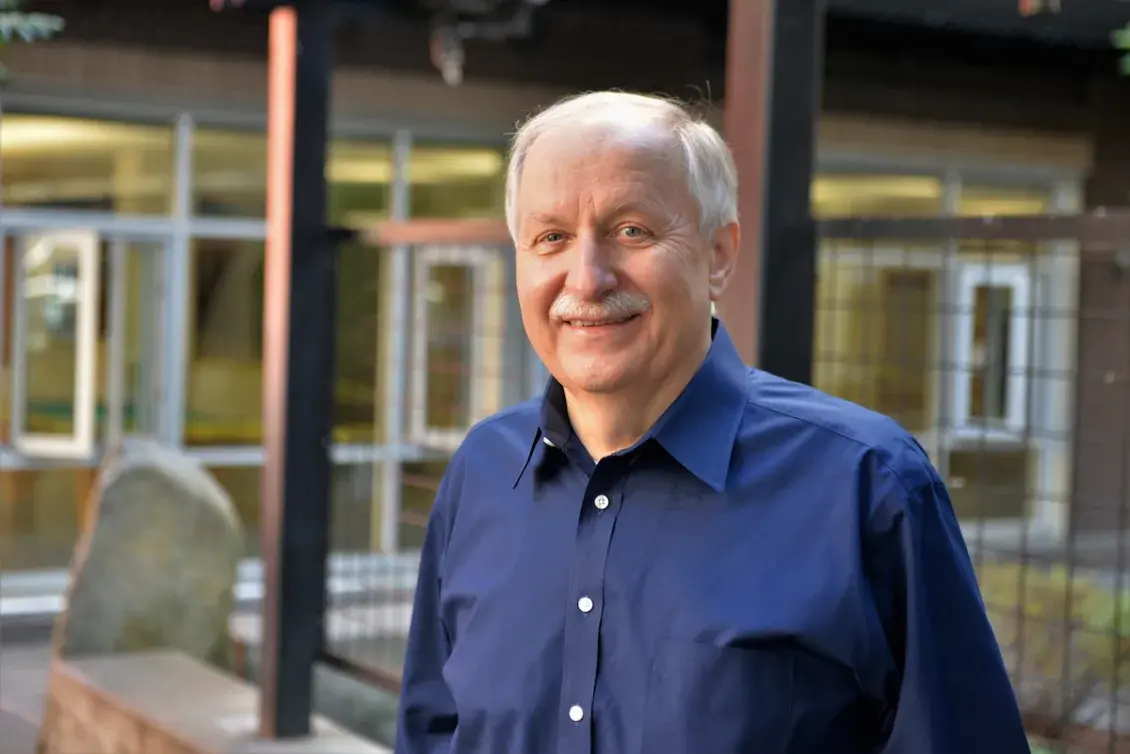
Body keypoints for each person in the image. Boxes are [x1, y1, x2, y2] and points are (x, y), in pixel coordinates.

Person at [395, 91, 1029, 754]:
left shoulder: (865, 483)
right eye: (550, 238)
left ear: (719, 254)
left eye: (632, 230)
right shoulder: (483, 471)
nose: (586, 278)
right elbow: (431, 731)